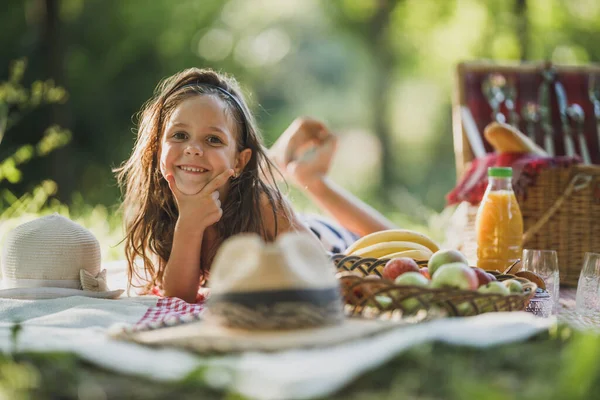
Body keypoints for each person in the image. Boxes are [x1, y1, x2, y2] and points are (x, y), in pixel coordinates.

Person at [116, 68, 396, 303]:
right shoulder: (163, 205)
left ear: (239, 160)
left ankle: (313, 180)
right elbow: (179, 295)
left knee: (397, 248)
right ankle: (278, 159)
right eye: (179, 135)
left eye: (213, 139)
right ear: (157, 149)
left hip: (321, 243)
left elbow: (325, 268)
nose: (192, 149)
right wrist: (188, 224)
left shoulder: (265, 205)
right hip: (264, 206)